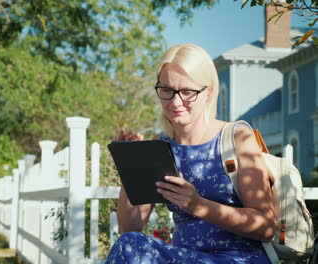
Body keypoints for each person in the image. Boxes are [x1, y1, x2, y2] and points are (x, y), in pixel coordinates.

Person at [106, 44, 277, 263]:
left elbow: (266, 227)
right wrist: (129, 167)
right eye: (167, 90)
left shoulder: (236, 137)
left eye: (187, 92)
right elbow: (130, 228)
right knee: (130, 244)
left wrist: (198, 205)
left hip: (240, 258)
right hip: (185, 257)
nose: (176, 102)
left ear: (209, 93)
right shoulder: (161, 145)